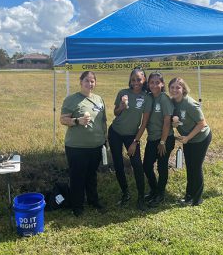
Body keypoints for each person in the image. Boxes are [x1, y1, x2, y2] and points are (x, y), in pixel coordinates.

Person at [60, 71, 107, 217]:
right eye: (87, 81)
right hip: (76, 147)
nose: (90, 84)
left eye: (92, 81)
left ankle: (93, 201)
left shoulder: (99, 99)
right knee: (77, 177)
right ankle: (77, 206)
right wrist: (76, 121)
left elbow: (103, 121)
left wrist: (105, 138)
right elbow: (63, 119)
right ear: (81, 82)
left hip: (96, 146)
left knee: (91, 176)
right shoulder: (72, 99)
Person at [108, 67, 151, 211]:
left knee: (137, 164)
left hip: (132, 136)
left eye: (139, 79)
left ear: (144, 80)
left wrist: (135, 142)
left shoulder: (146, 97)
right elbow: (115, 113)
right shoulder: (123, 93)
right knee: (118, 164)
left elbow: (144, 123)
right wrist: (120, 107)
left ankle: (140, 197)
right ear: (130, 81)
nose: (136, 82)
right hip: (115, 132)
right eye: (133, 80)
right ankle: (125, 193)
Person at [168, 77, 212, 206]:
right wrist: (174, 124)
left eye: (178, 87)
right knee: (190, 167)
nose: (175, 90)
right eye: (172, 87)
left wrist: (187, 138)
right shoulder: (173, 102)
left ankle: (197, 199)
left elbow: (202, 124)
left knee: (195, 168)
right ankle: (188, 196)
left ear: (183, 89)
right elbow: (175, 120)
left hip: (200, 138)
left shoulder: (189, 103)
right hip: (188, 139)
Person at [143, 72, 175, 207]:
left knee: (162, 167)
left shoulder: (164, 99)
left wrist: (162, 142)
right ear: (148, 84)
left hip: (165, 138)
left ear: (162, 84)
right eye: (152, 82)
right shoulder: (150, 97)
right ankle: (154, 190)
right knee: (147, 165)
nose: (154, 85)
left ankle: (160, 194)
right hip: (152, 138)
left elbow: (167, 122)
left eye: (157, 82)